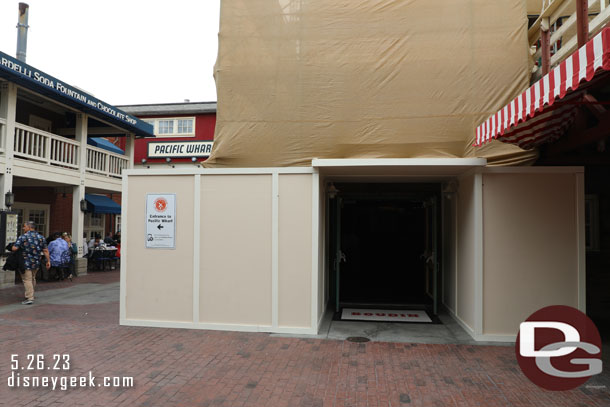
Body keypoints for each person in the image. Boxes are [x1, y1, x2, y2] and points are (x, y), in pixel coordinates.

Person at [12, 221, 50, 305]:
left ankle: (29, 298)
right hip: (36, 261)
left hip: (25, 262)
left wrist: (12, 246)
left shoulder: (23, 237)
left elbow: (15, 248)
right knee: (33, 278)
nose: (23, 228)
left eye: (24, 226)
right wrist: (48, 261)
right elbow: (45, 250)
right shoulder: (41, 237)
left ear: (29, 227)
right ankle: (31, 294)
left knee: (27, 279)